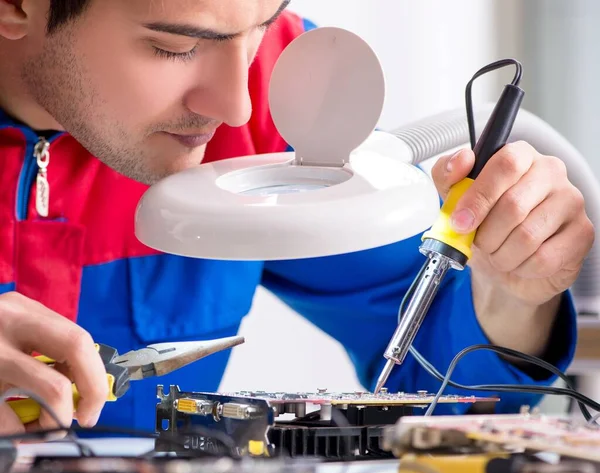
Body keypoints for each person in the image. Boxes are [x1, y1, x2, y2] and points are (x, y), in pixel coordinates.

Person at [0, 0, 594, 435]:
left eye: (260, 26)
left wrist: (511, 294)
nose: (236, 107)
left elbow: (434, 384)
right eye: (176, 47)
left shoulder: (281, 90)